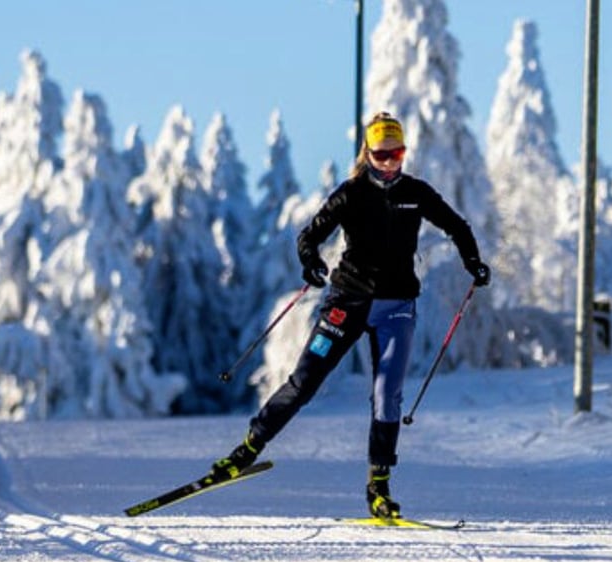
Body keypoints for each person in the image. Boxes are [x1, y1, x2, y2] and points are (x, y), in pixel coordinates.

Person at [210, 112, 491, 518]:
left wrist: (473, 262)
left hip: (396, 308)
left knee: (387, 395)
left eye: (397, 153)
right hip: (347, 303)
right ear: (368, 153)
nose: (390, 162)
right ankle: (246, 449)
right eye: (382, 154)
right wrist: (311, 264)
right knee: (304, 382)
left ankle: (378, 487)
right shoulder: (352, 194)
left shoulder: (416, 192)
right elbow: (310, 236)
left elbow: (456, 226)